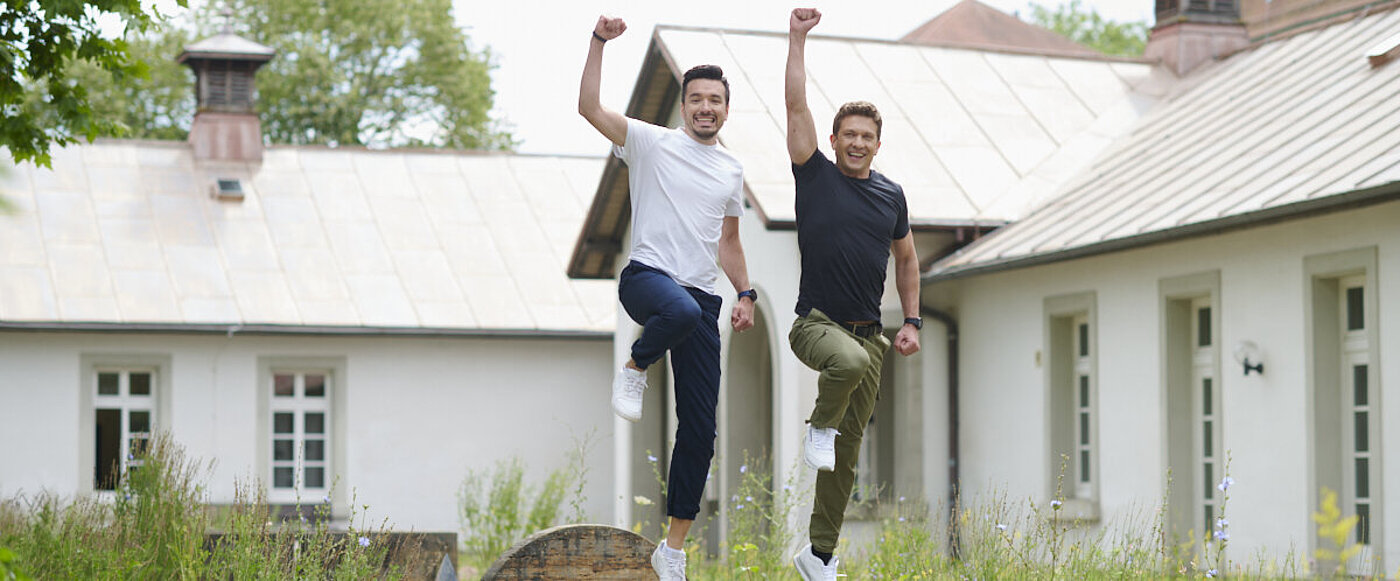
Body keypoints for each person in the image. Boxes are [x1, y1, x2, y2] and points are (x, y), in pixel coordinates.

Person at [579, 14, 757, 581]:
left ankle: (673, 548)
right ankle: (635, 366)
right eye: (697, 99)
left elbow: (727, 242)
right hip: (649, 281)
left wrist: (746, 293)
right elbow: (589, 107)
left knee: (701, 428)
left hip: (705, 303)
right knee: (677, 308)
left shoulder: (732, 168)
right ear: (684, 106)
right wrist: (598, 42)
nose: (706, 108)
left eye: (715, 101)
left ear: (726, 109)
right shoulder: (650, 143)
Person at [783, 8, 923, 581]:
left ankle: (818, 556)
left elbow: (908, 259)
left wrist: (911, 320)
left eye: (868, 137)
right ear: (835, 139)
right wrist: (797, 39)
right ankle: (818, 425)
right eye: (850, 135)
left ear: (877, 143)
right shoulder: (814, 174)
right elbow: (795, 105)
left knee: (847, 456)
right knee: (848, 362)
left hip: (872, 333)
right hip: (817, 325)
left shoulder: (891, 196)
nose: (858, 143)